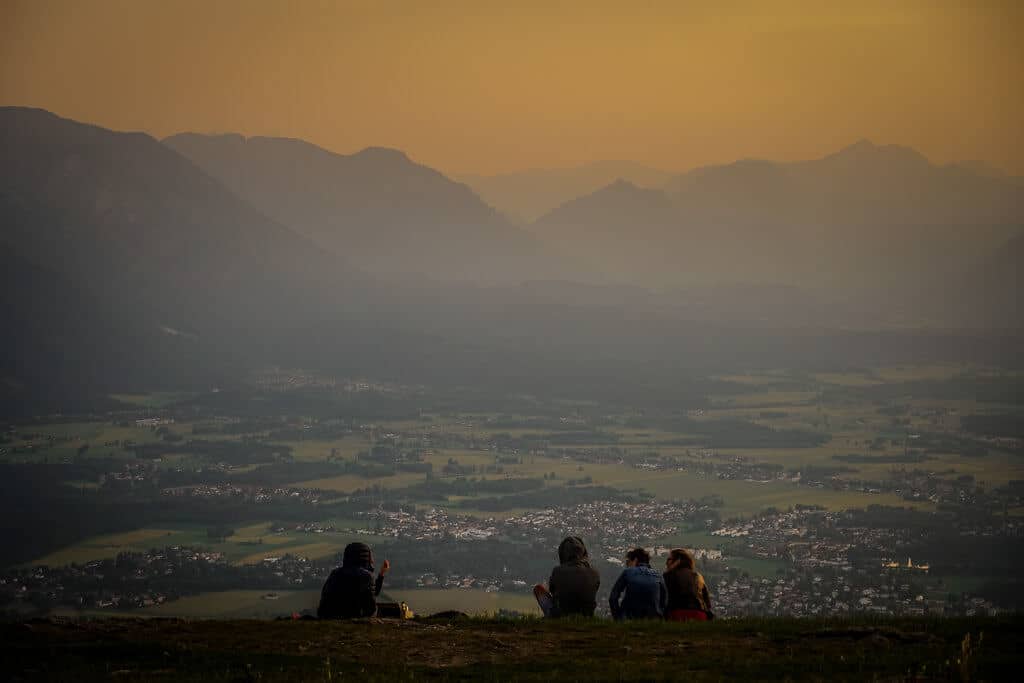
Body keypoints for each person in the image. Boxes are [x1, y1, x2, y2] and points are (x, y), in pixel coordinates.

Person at [317, 542, 390, 619]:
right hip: (351, 618)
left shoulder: (335, 573)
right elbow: (370, 608)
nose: (372, 560)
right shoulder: (366, 576)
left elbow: (324, 603)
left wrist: (381, 573)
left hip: (328, 617)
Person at [533, 536, 601, 617]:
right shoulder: (594, 573)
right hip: (587, 615)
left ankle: (551, 617)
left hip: (560, 615)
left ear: (563, 553)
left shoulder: (557, 571)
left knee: (538, 589)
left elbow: (552, 590)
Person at [608, 547, 668, 620]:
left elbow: (613, 597)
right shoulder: (658, 575)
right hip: (653, 618)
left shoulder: (628, 572)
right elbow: (664, 599)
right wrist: (659, 613)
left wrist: (617, 617)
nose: (627, 565)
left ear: (635, 560)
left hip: (629, 616)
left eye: (628, 562)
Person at [662, 547, 712, 622]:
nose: (666, 562)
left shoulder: (668, 576)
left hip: (677, 615)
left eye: (669, 559)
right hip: (700, 615)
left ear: (678, 561)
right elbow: (707, 603)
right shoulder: (698, 576)